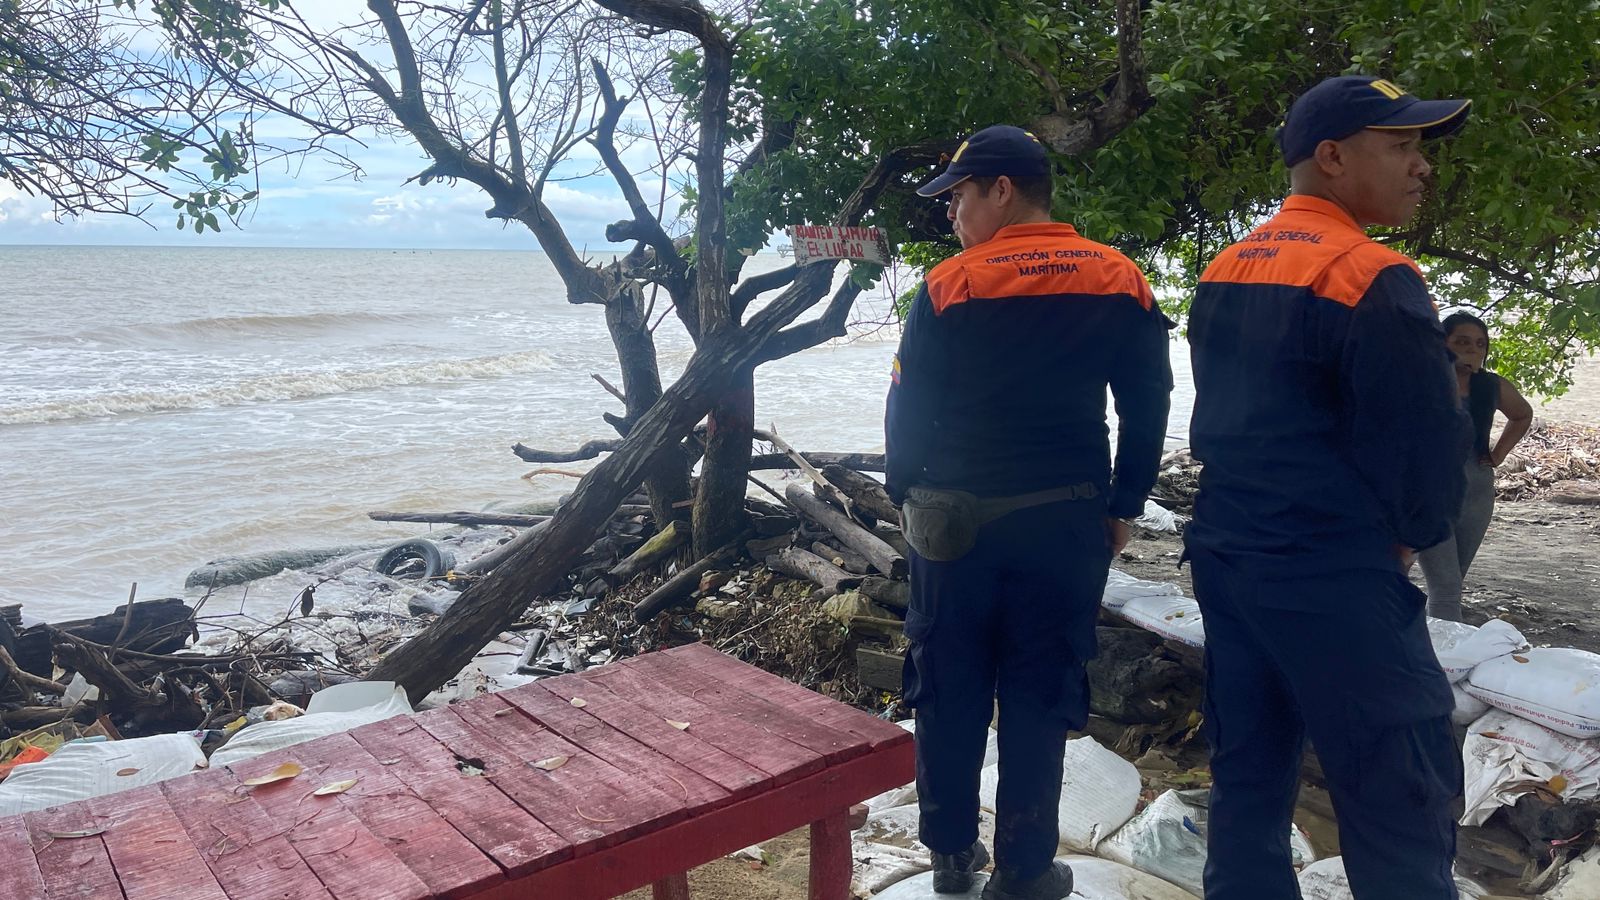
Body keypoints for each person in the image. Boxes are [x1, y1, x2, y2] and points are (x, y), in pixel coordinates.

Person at [1183, 76, 1474, 899]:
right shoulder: (1369, 274)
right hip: (1332, 571)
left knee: (1249, 773)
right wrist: (1408, 535)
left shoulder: (1229, 264)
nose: (1421, 167)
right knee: (1399, 794)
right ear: (1333, 157)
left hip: (1230, 552)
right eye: (1403, 145)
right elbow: (1421, 441)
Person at [885, 124, 1172, 900]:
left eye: (959, 198)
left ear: (1001, 190)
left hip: (954, 531)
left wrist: (902, 493)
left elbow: (908, 412)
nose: (951, 216)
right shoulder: (1120, 278)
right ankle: (1024, 869)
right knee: (1041, 697)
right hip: (1065, 524)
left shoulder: (951, 286)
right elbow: (1147, 405)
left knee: (947, 691)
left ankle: (950, 857)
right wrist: (1125, 504)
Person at [1418, 312, 1534, 621]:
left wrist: (1497, 454)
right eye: (1462, 342)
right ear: (1442, 344)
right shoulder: (1421, 381)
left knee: (1452, 582)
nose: (1472, 350)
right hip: (1429, 495)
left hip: (1477, 494)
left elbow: (1522, 414)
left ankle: (1437, 653)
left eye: (1480, 344)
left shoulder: (1491, 386)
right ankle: (1443, 664)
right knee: (1446, 587)